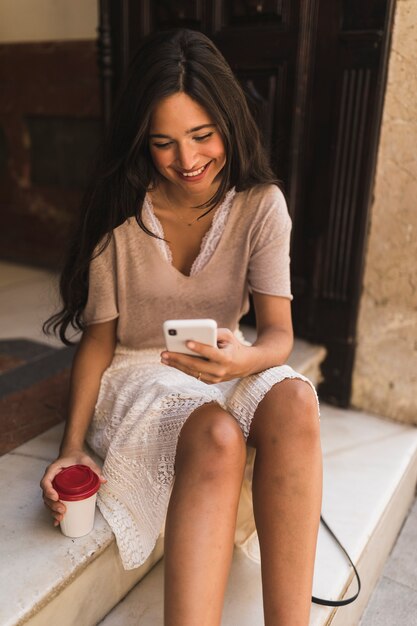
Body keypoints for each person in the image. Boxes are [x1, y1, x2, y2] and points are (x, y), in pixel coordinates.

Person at [40, 28, 322, 626]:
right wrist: (71, 449)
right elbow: (98, 342)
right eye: (164, 143)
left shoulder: (261, 206)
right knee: (218, 435)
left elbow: (277, 336)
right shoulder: (119, 214)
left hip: (227, 358)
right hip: (141, 371)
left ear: (230, 122)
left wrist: (242, 360)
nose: (187, 161)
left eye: (202, 135)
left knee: (296, 401)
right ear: (143, 140)